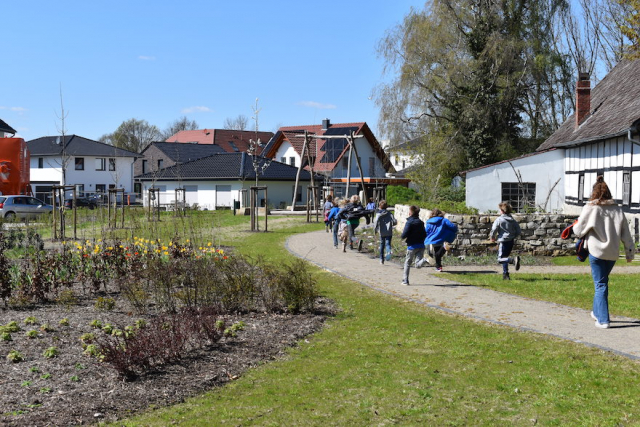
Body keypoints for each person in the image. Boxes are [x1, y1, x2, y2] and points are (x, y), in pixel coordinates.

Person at [573, 176, 634, 329]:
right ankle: (596, 312)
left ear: (593, 192)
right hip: (612, 253)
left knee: (600, 284)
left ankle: (603, 320)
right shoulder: (617, 209)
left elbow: (578, 231)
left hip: (596, 251)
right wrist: (630, 252)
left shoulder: (590, 207)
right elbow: (626, 233)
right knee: (602, 282)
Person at [489, 202, 522, 280]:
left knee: (500, 259)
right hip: (511, 241)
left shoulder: (499, 219)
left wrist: (492, 237)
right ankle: (506, 275)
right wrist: (513, 236)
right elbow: (518, 231)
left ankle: (513, 260)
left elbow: (494, 229)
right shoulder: (512, 220)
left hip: (503, 241)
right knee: (505, 257)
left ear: (502, 211)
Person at [424, 208, 458, 272]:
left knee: (437, 252)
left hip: (433, 239)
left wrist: (426, 237)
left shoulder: (429, 222)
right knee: (438, 253)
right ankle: (444, 249)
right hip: (442, 238)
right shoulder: (444, 220)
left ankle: (438, 267)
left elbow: (427, 231)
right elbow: (452, 227)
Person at [400, 205, 427, 285]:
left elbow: (405, 233)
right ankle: (425, 260)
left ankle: (405, 280)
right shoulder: (421, 223)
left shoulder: (410, 222)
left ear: (410, 213)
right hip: (421, 245)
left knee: (407, 263)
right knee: (417, 265)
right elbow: (424, 234)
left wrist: (402, 237)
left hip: (412, 245)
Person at [373, 200, 397, 265]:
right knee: (388, 243)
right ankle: (388, 251)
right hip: (389, 231)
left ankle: (381, 259)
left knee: (382, 244)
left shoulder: (378, 214)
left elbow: (376, 222)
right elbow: (395, 221)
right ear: (386, 206)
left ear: (380, 206)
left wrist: (375, 230)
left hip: (381, 231)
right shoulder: (390, 213)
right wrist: (392, 224)